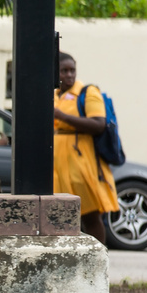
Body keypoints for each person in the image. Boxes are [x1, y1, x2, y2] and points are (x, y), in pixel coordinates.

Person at [54, 52, 119, 244]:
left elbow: (99, 124)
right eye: (63, 71)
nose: (69, 75)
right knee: (60, 216)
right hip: (58, 163)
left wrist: (62, 116)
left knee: (89, 214)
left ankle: (98, 259)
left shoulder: (87, 92)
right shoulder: (55, 94)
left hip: (81, 161)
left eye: (72, 70)